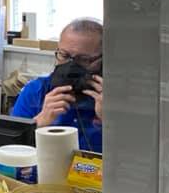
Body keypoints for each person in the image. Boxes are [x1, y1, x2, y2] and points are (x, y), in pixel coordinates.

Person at [10, 18, 103, 153]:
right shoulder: (35, 92)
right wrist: (38, 124)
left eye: (83, 60)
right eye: (64, 55)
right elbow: (12, 149)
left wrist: (110, 121)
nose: (71, 65)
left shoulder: (117, 98)